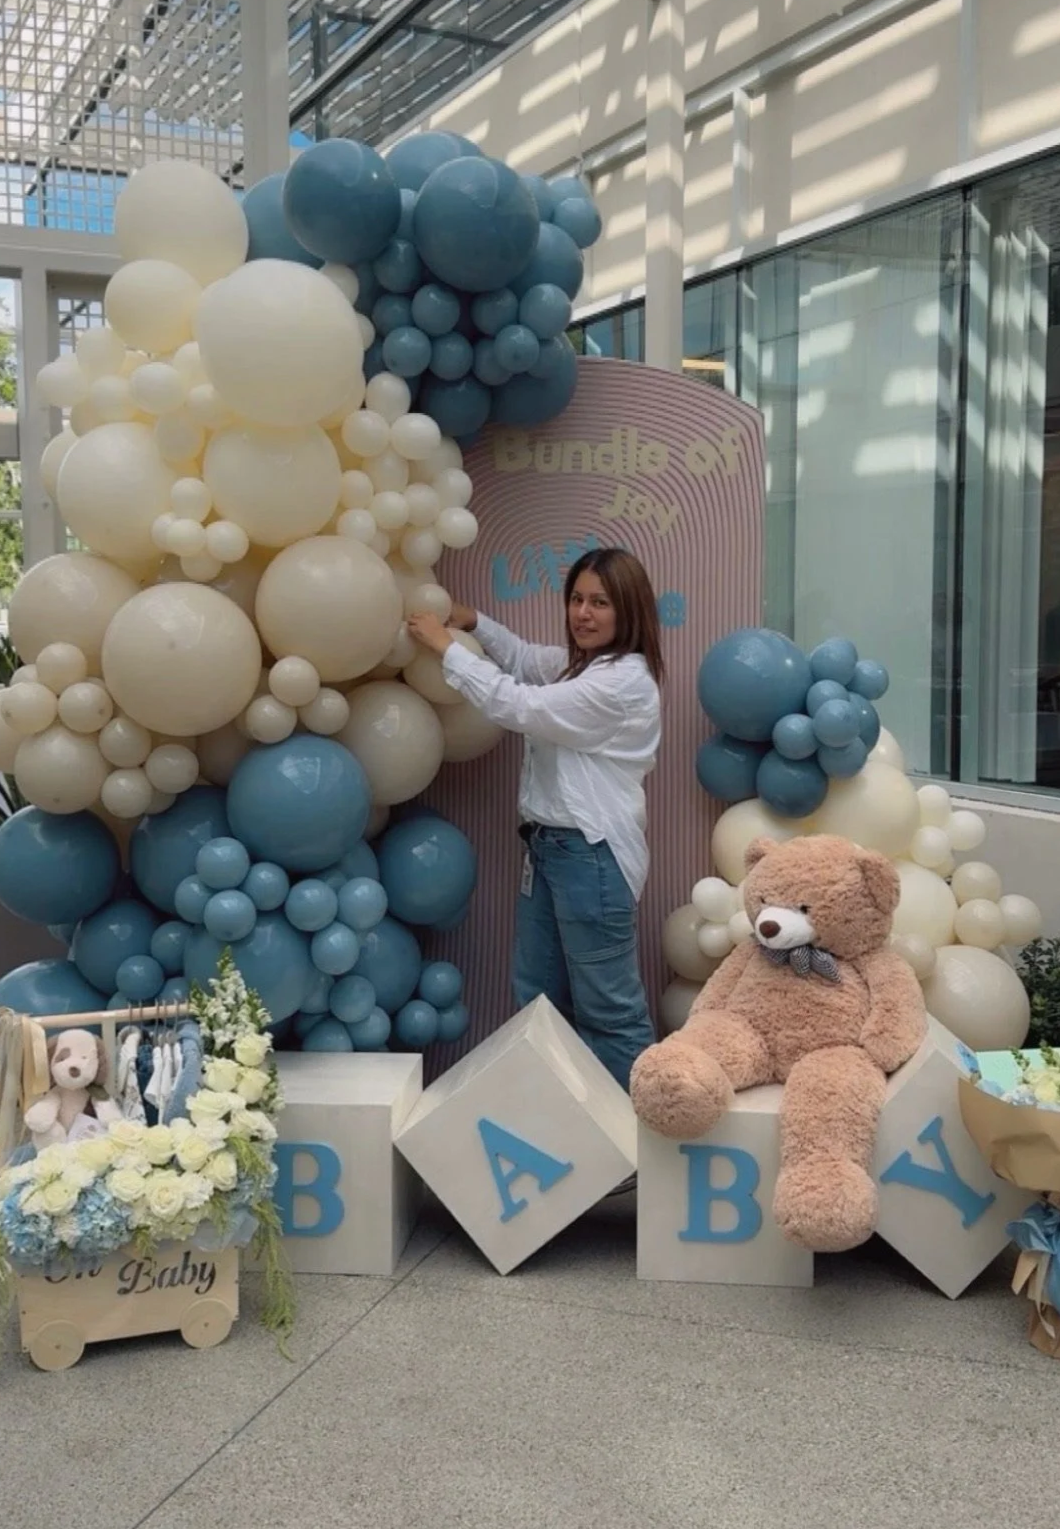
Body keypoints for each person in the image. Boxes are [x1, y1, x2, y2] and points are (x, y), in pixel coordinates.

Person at [407, 546, 664, 1098]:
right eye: (576, 599)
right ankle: (566, 1139)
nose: (583, 613)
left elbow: (518, 705)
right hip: (550, 852)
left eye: (600, 602)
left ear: (629, 611)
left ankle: (639, 1153)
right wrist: (477, 623)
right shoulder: (584, 668)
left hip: (590, 858)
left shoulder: (619, 682)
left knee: (608, 1012)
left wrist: (447, 647)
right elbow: (524, 660)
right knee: (539, 1003)